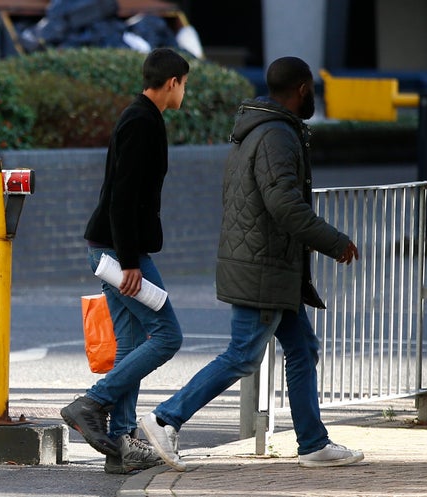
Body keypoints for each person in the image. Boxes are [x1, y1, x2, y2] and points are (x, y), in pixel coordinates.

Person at [138, 56, 364, 471]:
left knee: (302, 349)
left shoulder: (259, 130)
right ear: (301, 89)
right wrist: (334, 241)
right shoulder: (276, 135)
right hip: (264, 267)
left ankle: (313, 444)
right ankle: (163, 418)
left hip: (273, 267)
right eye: (312, 88)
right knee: (242, 355)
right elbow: (283, 203)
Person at [60, 47, 187, 474]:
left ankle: (121, 443)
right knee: (167, 335)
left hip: (114, 248)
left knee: (131, 344)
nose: (184, 92)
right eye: (185, 84)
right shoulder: (141, 122)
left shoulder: (143, 117)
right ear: (173, 82)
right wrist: (130, 261)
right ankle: (92, 402)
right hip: (119, 252)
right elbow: (122, 197)